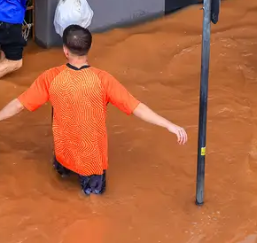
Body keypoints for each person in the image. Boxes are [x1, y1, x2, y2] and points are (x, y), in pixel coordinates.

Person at [0, 25, 187, 196]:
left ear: (65, 50)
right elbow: (137, 107)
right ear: (88, 49)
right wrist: (169, 125)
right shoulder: (103, 80)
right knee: (93, 203)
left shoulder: (50, 78)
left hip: (63, 153)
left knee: (59, 184)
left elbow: (19, 104)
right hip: (92, 160)